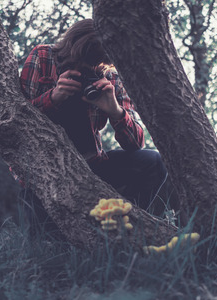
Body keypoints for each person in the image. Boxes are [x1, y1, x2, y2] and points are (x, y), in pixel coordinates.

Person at [18, 19, 168, 238]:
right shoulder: (42, 56)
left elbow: (136, 143)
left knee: (153, 162)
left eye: (96, 68)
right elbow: (16, 118)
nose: (89, 71)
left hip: (92, 165)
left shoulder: (112, 77)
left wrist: (115, 110)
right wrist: (53, 97)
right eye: (84, 65)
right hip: (44, 172)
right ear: (71, 48)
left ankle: (133, 228)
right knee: (51, 244)